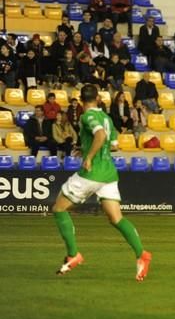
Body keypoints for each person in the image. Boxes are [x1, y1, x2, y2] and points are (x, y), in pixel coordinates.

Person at [51, 84, 151, 281]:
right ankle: (142, 254)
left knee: (59, 209)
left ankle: (73, 254)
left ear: (81, 101)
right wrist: (85, 147)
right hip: (109, 174)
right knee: (116, 218)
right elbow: (113, 145)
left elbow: (100, 136)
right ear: (97, 99)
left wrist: (88, 156)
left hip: (92, 173)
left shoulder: (86, 116)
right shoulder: (106, 118)